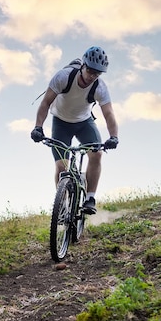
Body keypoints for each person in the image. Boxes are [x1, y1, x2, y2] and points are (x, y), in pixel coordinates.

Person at [30, 46, 119, 214]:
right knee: (62, 167)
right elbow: (45, 103)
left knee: (97, 153)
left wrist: (113, 136)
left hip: (84, 123)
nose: (92, 76)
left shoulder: (99, 87)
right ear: (83, 66)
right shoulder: (64, 77)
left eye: (97, 74)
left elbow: (108, 113)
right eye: (90, 71)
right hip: (60, 123)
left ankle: (90, 198)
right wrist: (38, 127)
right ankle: (62, 206)